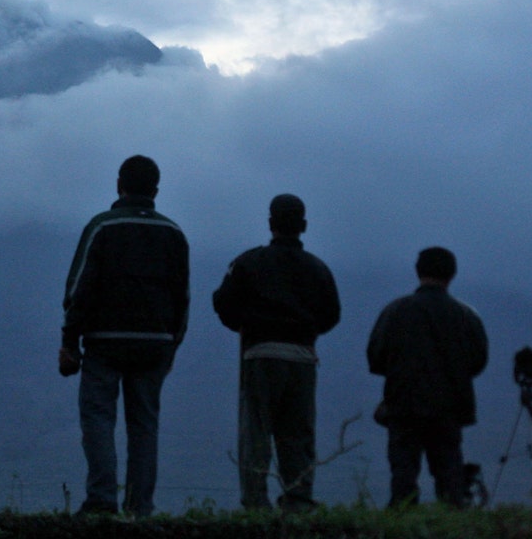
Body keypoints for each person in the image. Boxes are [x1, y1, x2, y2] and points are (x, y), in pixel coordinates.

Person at [59, 155, 188, 517]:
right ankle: (139, 507)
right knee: (144, 425)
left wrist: (69, 341)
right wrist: (172, 345)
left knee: (99, 418)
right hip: (155, 344)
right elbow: (183, 297)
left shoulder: (103, 227)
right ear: (156, 190)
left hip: (105, 341)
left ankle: (102, 500)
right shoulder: (173, 233)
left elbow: (79, 288)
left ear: (119, 185)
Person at [211, 194, 341, 510]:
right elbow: (332, 314)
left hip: (260, 354)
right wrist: (305, 332)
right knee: (298, 435)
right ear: (304, 225)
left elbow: (223, 303)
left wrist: (247, 326)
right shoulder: (318, 269)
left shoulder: (247, 262)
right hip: (302, 358)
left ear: (271, 223)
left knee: (256, 433)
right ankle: (298, 500)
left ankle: (256, 503)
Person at [367, 246, 489, 507]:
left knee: (403, 476)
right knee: (449, 477)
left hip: (403, 406)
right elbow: (478, 361)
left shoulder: (395, 311)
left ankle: (401, 528)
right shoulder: (466, 316)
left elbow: (376, 358)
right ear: (452, 274)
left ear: (418, 271)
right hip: (449, 408)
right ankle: (451, 527)